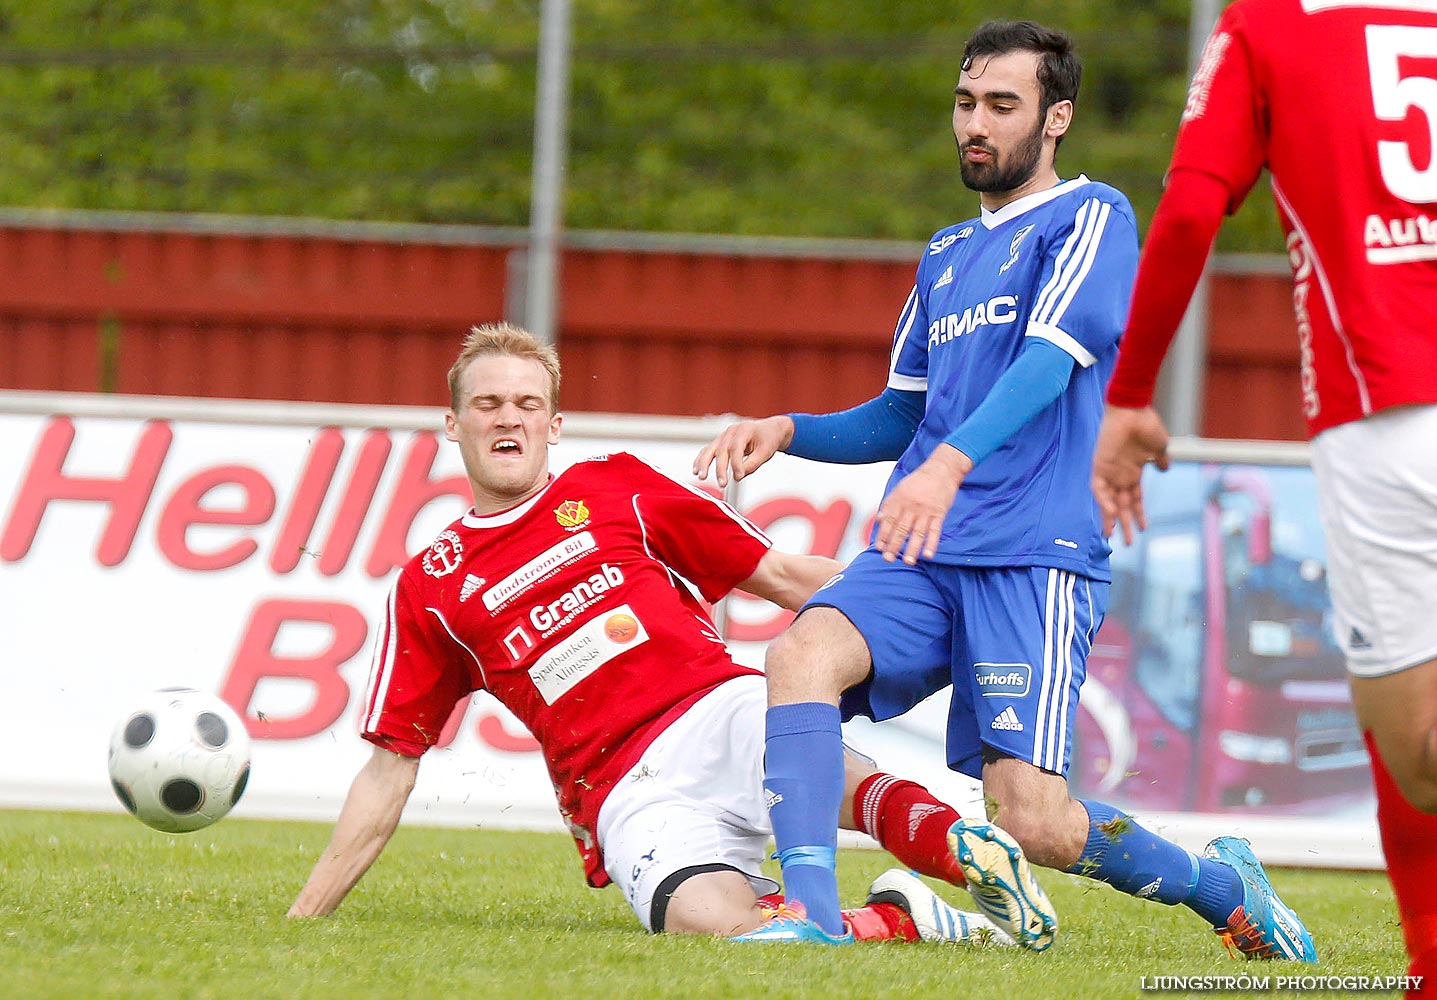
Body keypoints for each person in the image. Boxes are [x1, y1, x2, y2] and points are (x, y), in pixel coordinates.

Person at [695, 19, 1315, 960]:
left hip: (1031, 551)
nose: (974, 124)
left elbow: (1049, 360)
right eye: (964, 103)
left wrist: (948, 467)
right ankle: (812, 922)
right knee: (800, 658)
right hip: (924, 550)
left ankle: (1219, 886)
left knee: (1033, 818)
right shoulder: (945, 253)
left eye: (1001, 105)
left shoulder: (1091, 216)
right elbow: (901, 415)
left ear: (1055, 116)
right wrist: (789, 431)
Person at [288, 322, 1018, 947]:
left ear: (553, 424)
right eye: (486, 404)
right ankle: (899, 919)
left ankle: (973, 858)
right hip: (618, 791)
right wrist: (303, 916)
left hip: (715, 710)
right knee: (713, 925)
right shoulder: (430, 585)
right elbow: (391, 766)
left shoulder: (615, 486)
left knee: (851, 787)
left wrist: (942, 620)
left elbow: (787, 577)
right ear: (454, 424)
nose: (507, 418)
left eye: (526, 404)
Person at [1089, 0, 1437, 988]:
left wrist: (1129, 395)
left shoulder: (1271, 22)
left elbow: (1196, 204)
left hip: (1390, 407)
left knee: (1412, 746)